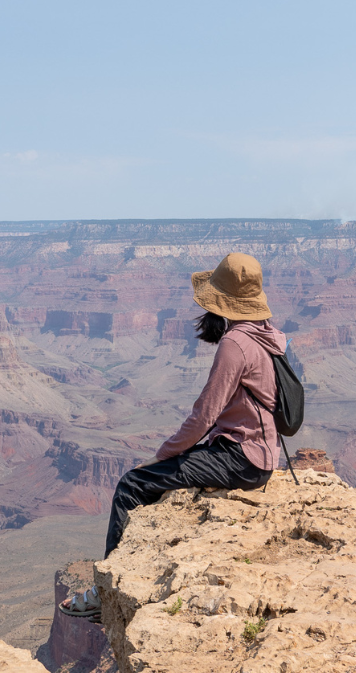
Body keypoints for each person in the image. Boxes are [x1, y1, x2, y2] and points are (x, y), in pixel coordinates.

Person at [60, 252, 287, 619]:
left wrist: (163, 455)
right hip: (259, 454)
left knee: (132, 484)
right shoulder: (267, 335)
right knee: (153, 486)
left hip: (240, 458)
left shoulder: (235, 344)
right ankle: (131, 572)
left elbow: (204, 416)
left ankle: (105, 591)